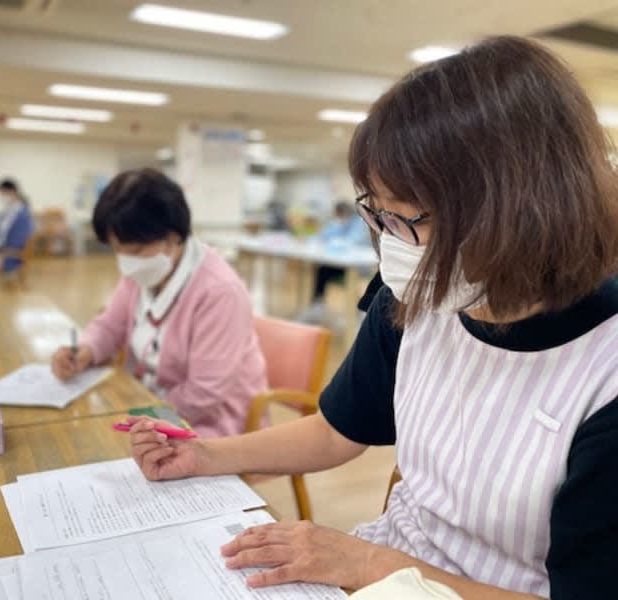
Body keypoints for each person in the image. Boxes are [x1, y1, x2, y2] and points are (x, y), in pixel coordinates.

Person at [127, 36, 618, 599]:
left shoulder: (604, 373)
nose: (390, 244)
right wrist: (207, 454)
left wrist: (365, 565)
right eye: (377, 213)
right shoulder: (416, 296)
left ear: (520, 211)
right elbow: (338, 429)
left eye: (408, 218)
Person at [51, 168, 266, 438]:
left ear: (174, 237)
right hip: (145, 406)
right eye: (117, 250)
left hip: (208, 425)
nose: (126, 262)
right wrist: (85, 350)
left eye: (136, 251)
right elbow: (110, 326)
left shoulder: (220, 292)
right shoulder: (142, 271)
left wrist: (137, 416)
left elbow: (204, 393)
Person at [298, 200, 371, 323]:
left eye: (339, 215)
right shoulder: (337, 223)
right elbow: (324, 236)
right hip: (339, 263)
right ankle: (318, 304)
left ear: (346, 213)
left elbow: (353, 242)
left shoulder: (359, 223)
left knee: (331, 273)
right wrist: (309, 239)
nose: (337, 219)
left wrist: (335, 242)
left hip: (357, 266)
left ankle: (359, 310)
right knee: (323, 270)